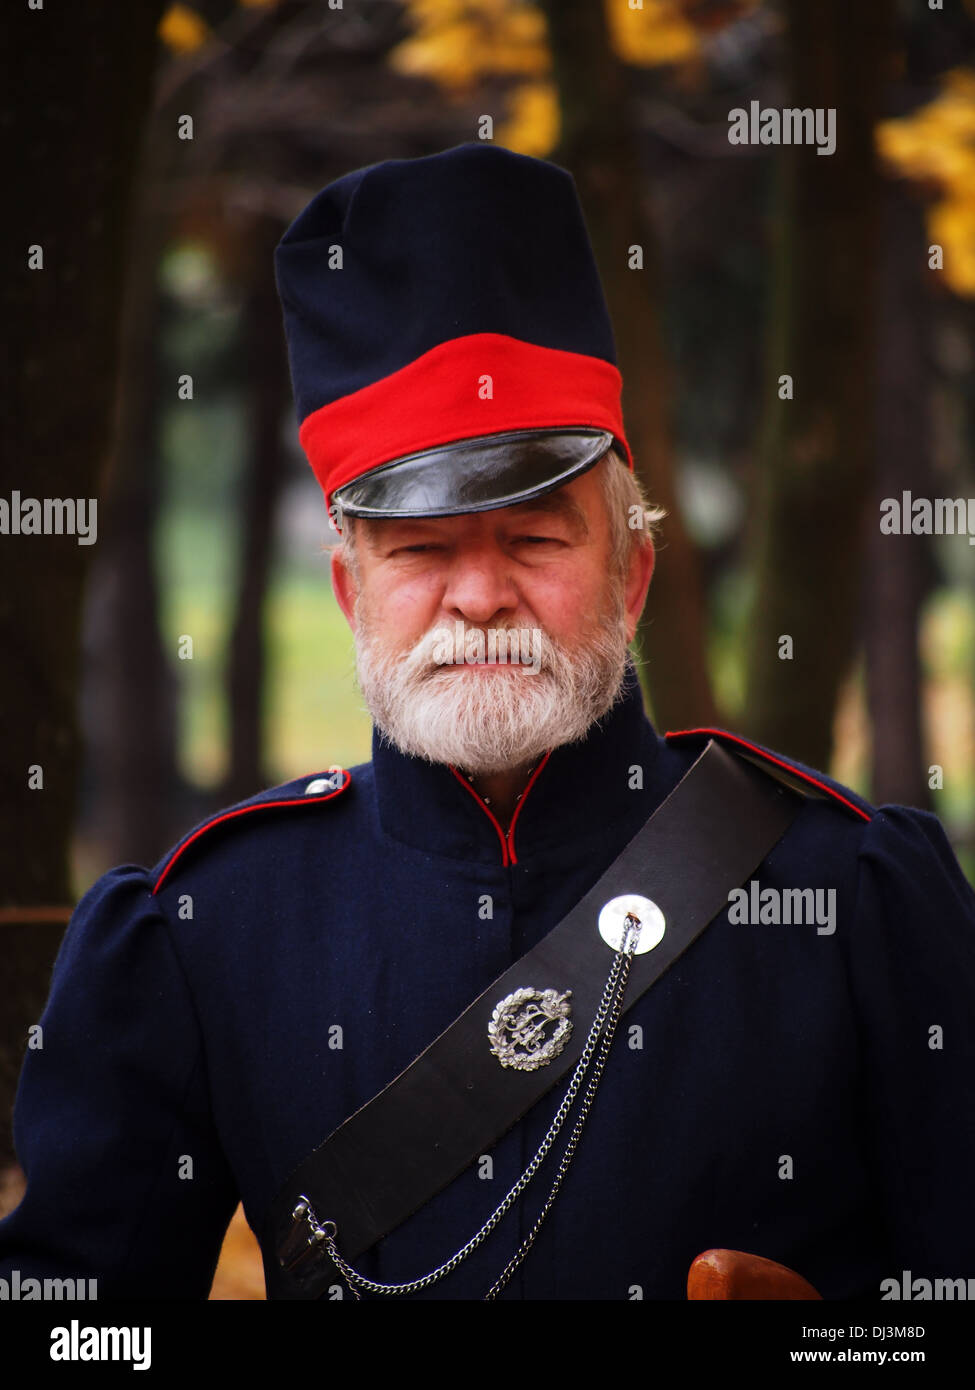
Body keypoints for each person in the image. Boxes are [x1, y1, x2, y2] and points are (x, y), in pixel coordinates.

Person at [2, 143, 974, 1303]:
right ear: (351, 591)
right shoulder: (203, 926)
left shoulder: (856, 892)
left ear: (633, 573)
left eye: (535, 538)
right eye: (417, 549)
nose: (478, 595)